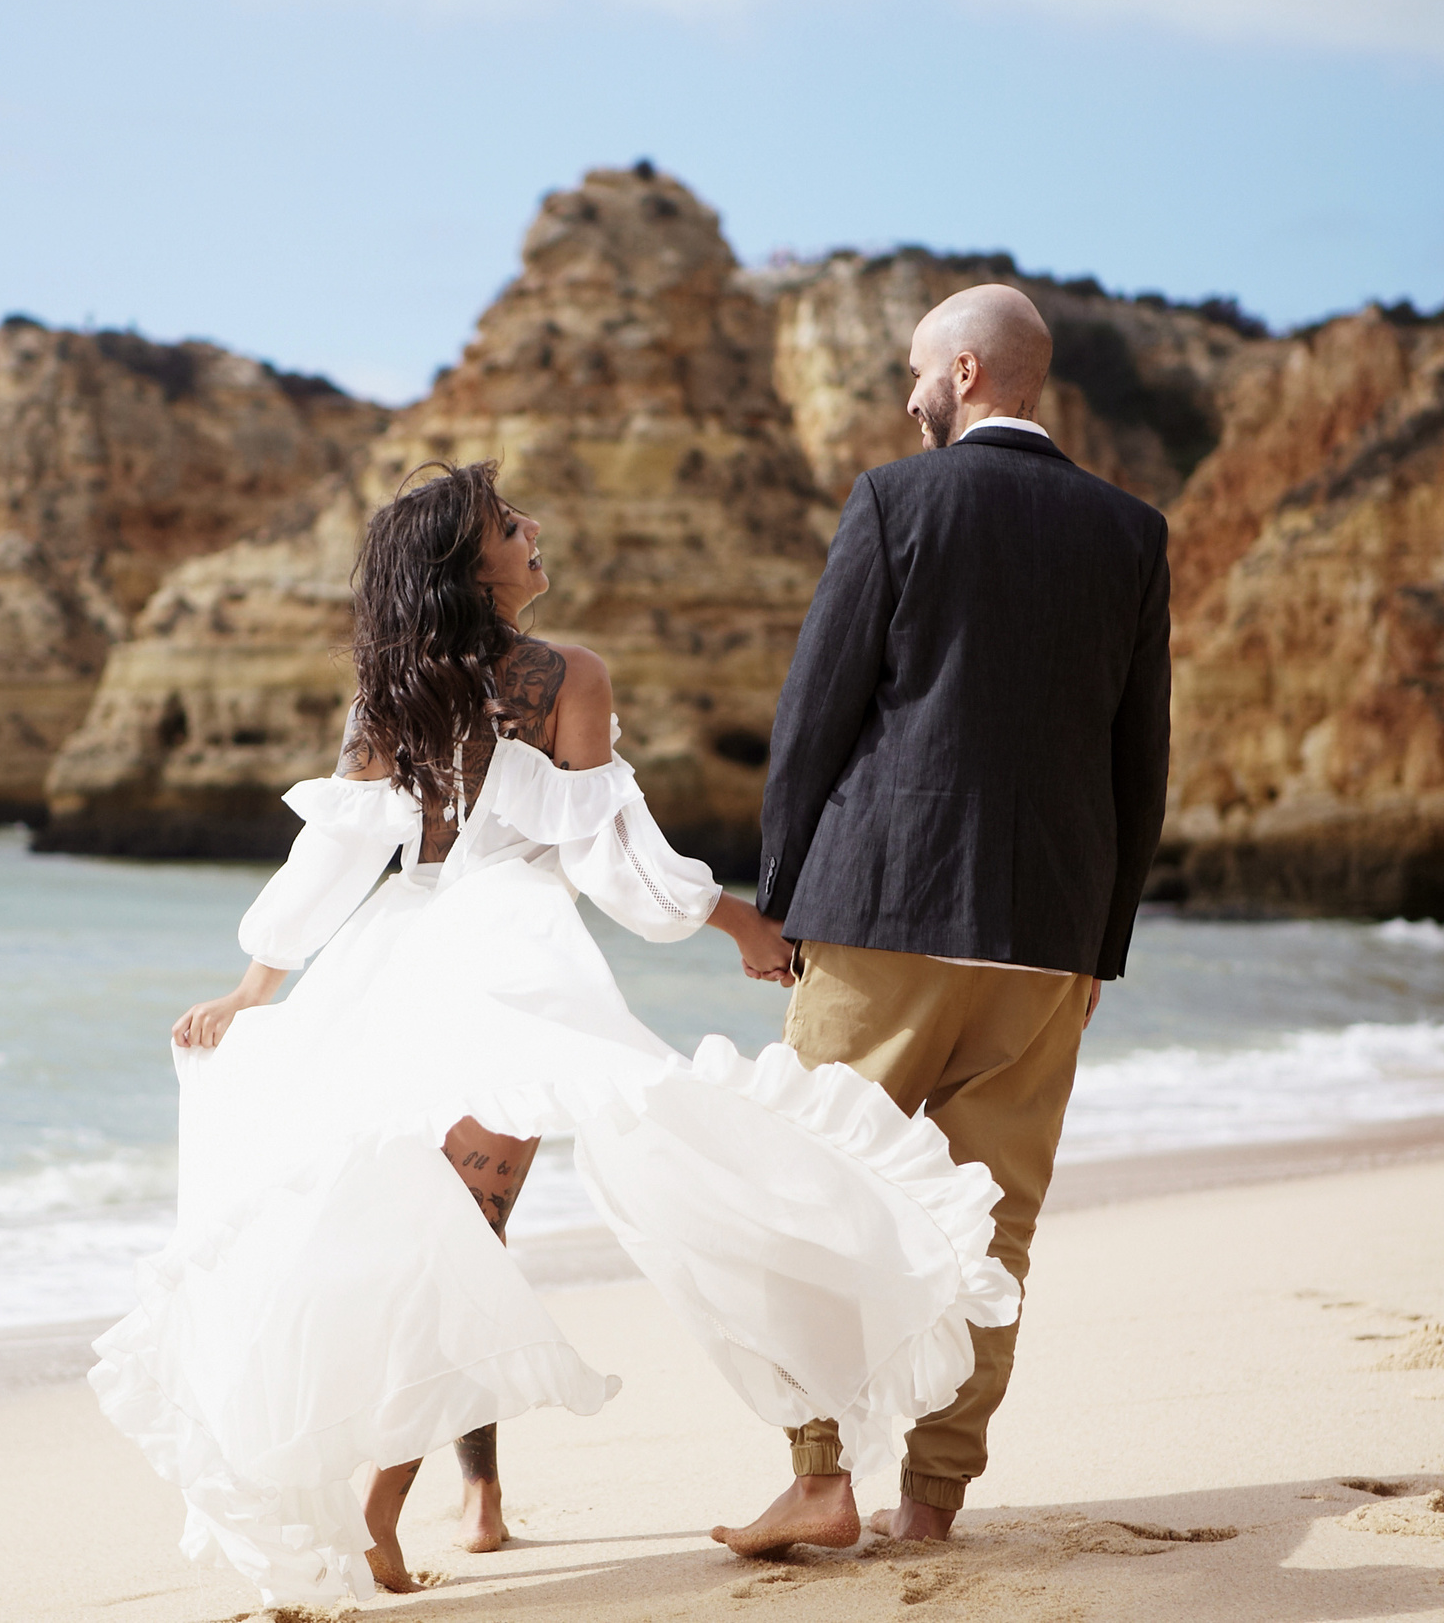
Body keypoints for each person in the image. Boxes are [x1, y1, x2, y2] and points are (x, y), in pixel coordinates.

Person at [91, 460, 1022, 1607]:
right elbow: (608, 857)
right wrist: (734, 921)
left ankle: (389, 1511)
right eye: (505, 525)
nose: (532, 532)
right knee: (477, 1228)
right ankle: (384, 1513)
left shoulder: (390, 688)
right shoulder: (564, 676)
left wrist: (257, 986)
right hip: (507, 969)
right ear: (465, 567)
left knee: (410, 1232)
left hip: (393, 961)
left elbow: (333, 859)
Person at [716, 286, 1172, 1554]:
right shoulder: (1131, 531)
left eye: (916, 371)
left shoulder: (893, 502)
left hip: (884, 907)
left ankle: (818, 1479)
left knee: (813, 1197)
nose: (905, 394)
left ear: (964, 373)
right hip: (1044, 938)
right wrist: (1102, 949)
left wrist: (787, 899)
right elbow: (1142, 759)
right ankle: (931, 1503)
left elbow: (815, 713)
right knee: (994, 1230)